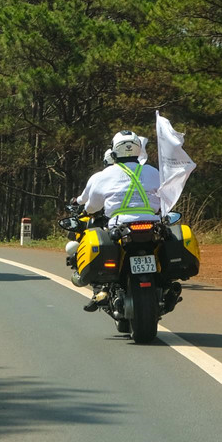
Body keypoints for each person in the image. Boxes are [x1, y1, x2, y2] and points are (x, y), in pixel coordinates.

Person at [70, 130, 161, 311]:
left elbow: (92, 206)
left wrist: (86, 209)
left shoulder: (105, 175)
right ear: (138, 150)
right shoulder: (152, 171)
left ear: (114, 152)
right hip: (153, 225)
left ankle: (102, 289)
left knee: (102, 245)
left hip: (120, 225)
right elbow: (166, 196)